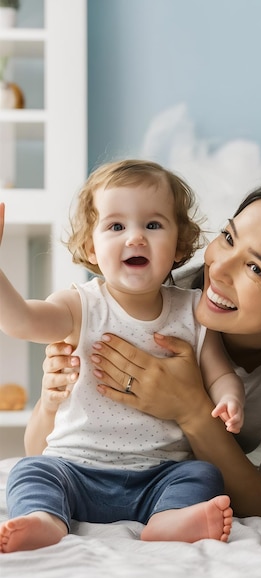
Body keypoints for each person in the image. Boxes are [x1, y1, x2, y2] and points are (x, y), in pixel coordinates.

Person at [27, 173, 261, 521]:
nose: (219, 268)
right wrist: (51, 403)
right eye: (228, 238)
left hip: (175, 487)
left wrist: (192, 410)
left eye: (256, 269)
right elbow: (39, 452)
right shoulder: (152, 300)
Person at [0, 159, 244, 553]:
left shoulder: (194, 311)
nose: (135, 238)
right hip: (76, 468)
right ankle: (45, 520)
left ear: (180, 242)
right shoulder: (79, 306)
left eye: (152, 225)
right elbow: (22, 321)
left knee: (202, 474)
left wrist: (231, 398)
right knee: (31, 469)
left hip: (158, 476)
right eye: (116, 226)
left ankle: (167, 521)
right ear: (89, 248)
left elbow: (220, 375)